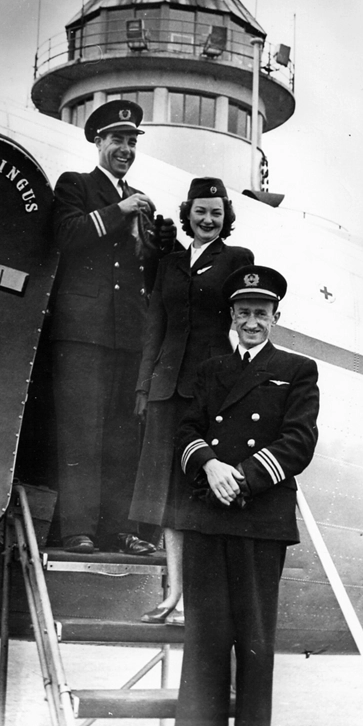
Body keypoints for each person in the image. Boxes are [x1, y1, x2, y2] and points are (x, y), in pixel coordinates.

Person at [174, 265, 320, 726]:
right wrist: (210, 465)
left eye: (261, 312)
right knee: (204, 644)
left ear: (276, 316)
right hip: (208, 519)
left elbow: (299, 442)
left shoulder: (296, 370)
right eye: (243, 312)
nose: (251, 321)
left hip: (260, 518)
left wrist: (241, 476)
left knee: (255, 646)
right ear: (232, 315)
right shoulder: (210, 369)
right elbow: (186, 431)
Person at [51, 99, 175, 555]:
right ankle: (77, 529)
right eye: (116, 140)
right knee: (82, 430)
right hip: (82, 330)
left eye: (130, 142)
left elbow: (146, 272)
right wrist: (120, 209)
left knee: (124, 435)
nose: (124, 148)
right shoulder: (76, 185)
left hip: (128, 334)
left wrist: (163, 247)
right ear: (98, 142)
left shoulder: (140, 201)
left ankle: (119, 530)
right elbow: (67, 235)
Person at [132, 177, 254, 623]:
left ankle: (195, 600)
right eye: (200, 211)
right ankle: (173, 594)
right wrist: (144, 387)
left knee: (196, 494)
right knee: (166, 497)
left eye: (216, 213)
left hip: (209, 390)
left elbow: (243, 319)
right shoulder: (170, 264)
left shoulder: (236, 260)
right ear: (188, 214)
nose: (207, 220)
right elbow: (155, 330)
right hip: (166, 389)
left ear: (226, 219)